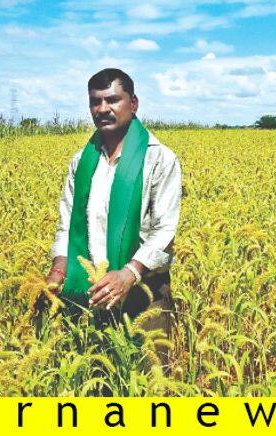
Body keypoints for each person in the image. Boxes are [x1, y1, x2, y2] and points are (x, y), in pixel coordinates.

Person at [44, 68, 182, 370]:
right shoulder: (82, 161)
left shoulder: (159, 158)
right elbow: (67, 222)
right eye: (95, 102)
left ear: (133, 103)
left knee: (147, 381)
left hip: (143, 292)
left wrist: (129, 273)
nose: (103, 109)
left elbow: (165, 229)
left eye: (112, 100)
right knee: (93, 377)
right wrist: (59, 267)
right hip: (89, 290)